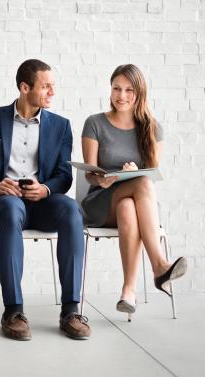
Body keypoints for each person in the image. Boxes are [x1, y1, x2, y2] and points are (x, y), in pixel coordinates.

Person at [0, 59, 90, 340]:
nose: (52, 92)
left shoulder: (61, 126)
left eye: (52, 86)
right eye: (46, 86)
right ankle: (13, 311)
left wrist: (46, 189)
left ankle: (71, 310)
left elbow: (63, 174)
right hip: (3, 203)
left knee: (71, 209)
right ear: (25, 88)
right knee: (12, 208)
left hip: (42, 203)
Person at [81, 64, 187, 320]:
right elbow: (89, 174)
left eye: (129, 90)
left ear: (139, 93)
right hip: (100, 202)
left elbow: (152, 174)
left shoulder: (152, 128)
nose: (121, 95)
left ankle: (128, 291)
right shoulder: (95, 123)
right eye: (116, 88)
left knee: (129, 206)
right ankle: (159, 265)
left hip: (133, 204)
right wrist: (103, 179)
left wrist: (135, 169)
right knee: (140, 185)